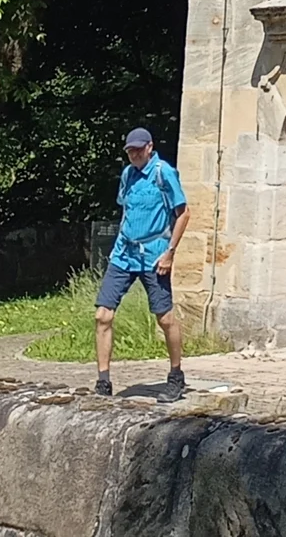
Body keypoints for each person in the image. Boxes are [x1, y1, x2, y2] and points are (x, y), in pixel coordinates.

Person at [94, 127, 188, 398]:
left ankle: (176, 375)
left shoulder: (163, 172)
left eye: (138, 149)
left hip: (155, 255)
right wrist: (119, 243)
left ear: (149, 147)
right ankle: (103, 382)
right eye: (130, 151)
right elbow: (126, 209)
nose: (134, 154)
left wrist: (170, 253)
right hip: (124, 254)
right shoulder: (128, 174)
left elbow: (184, 214)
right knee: (102, 315)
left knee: (165, 318)